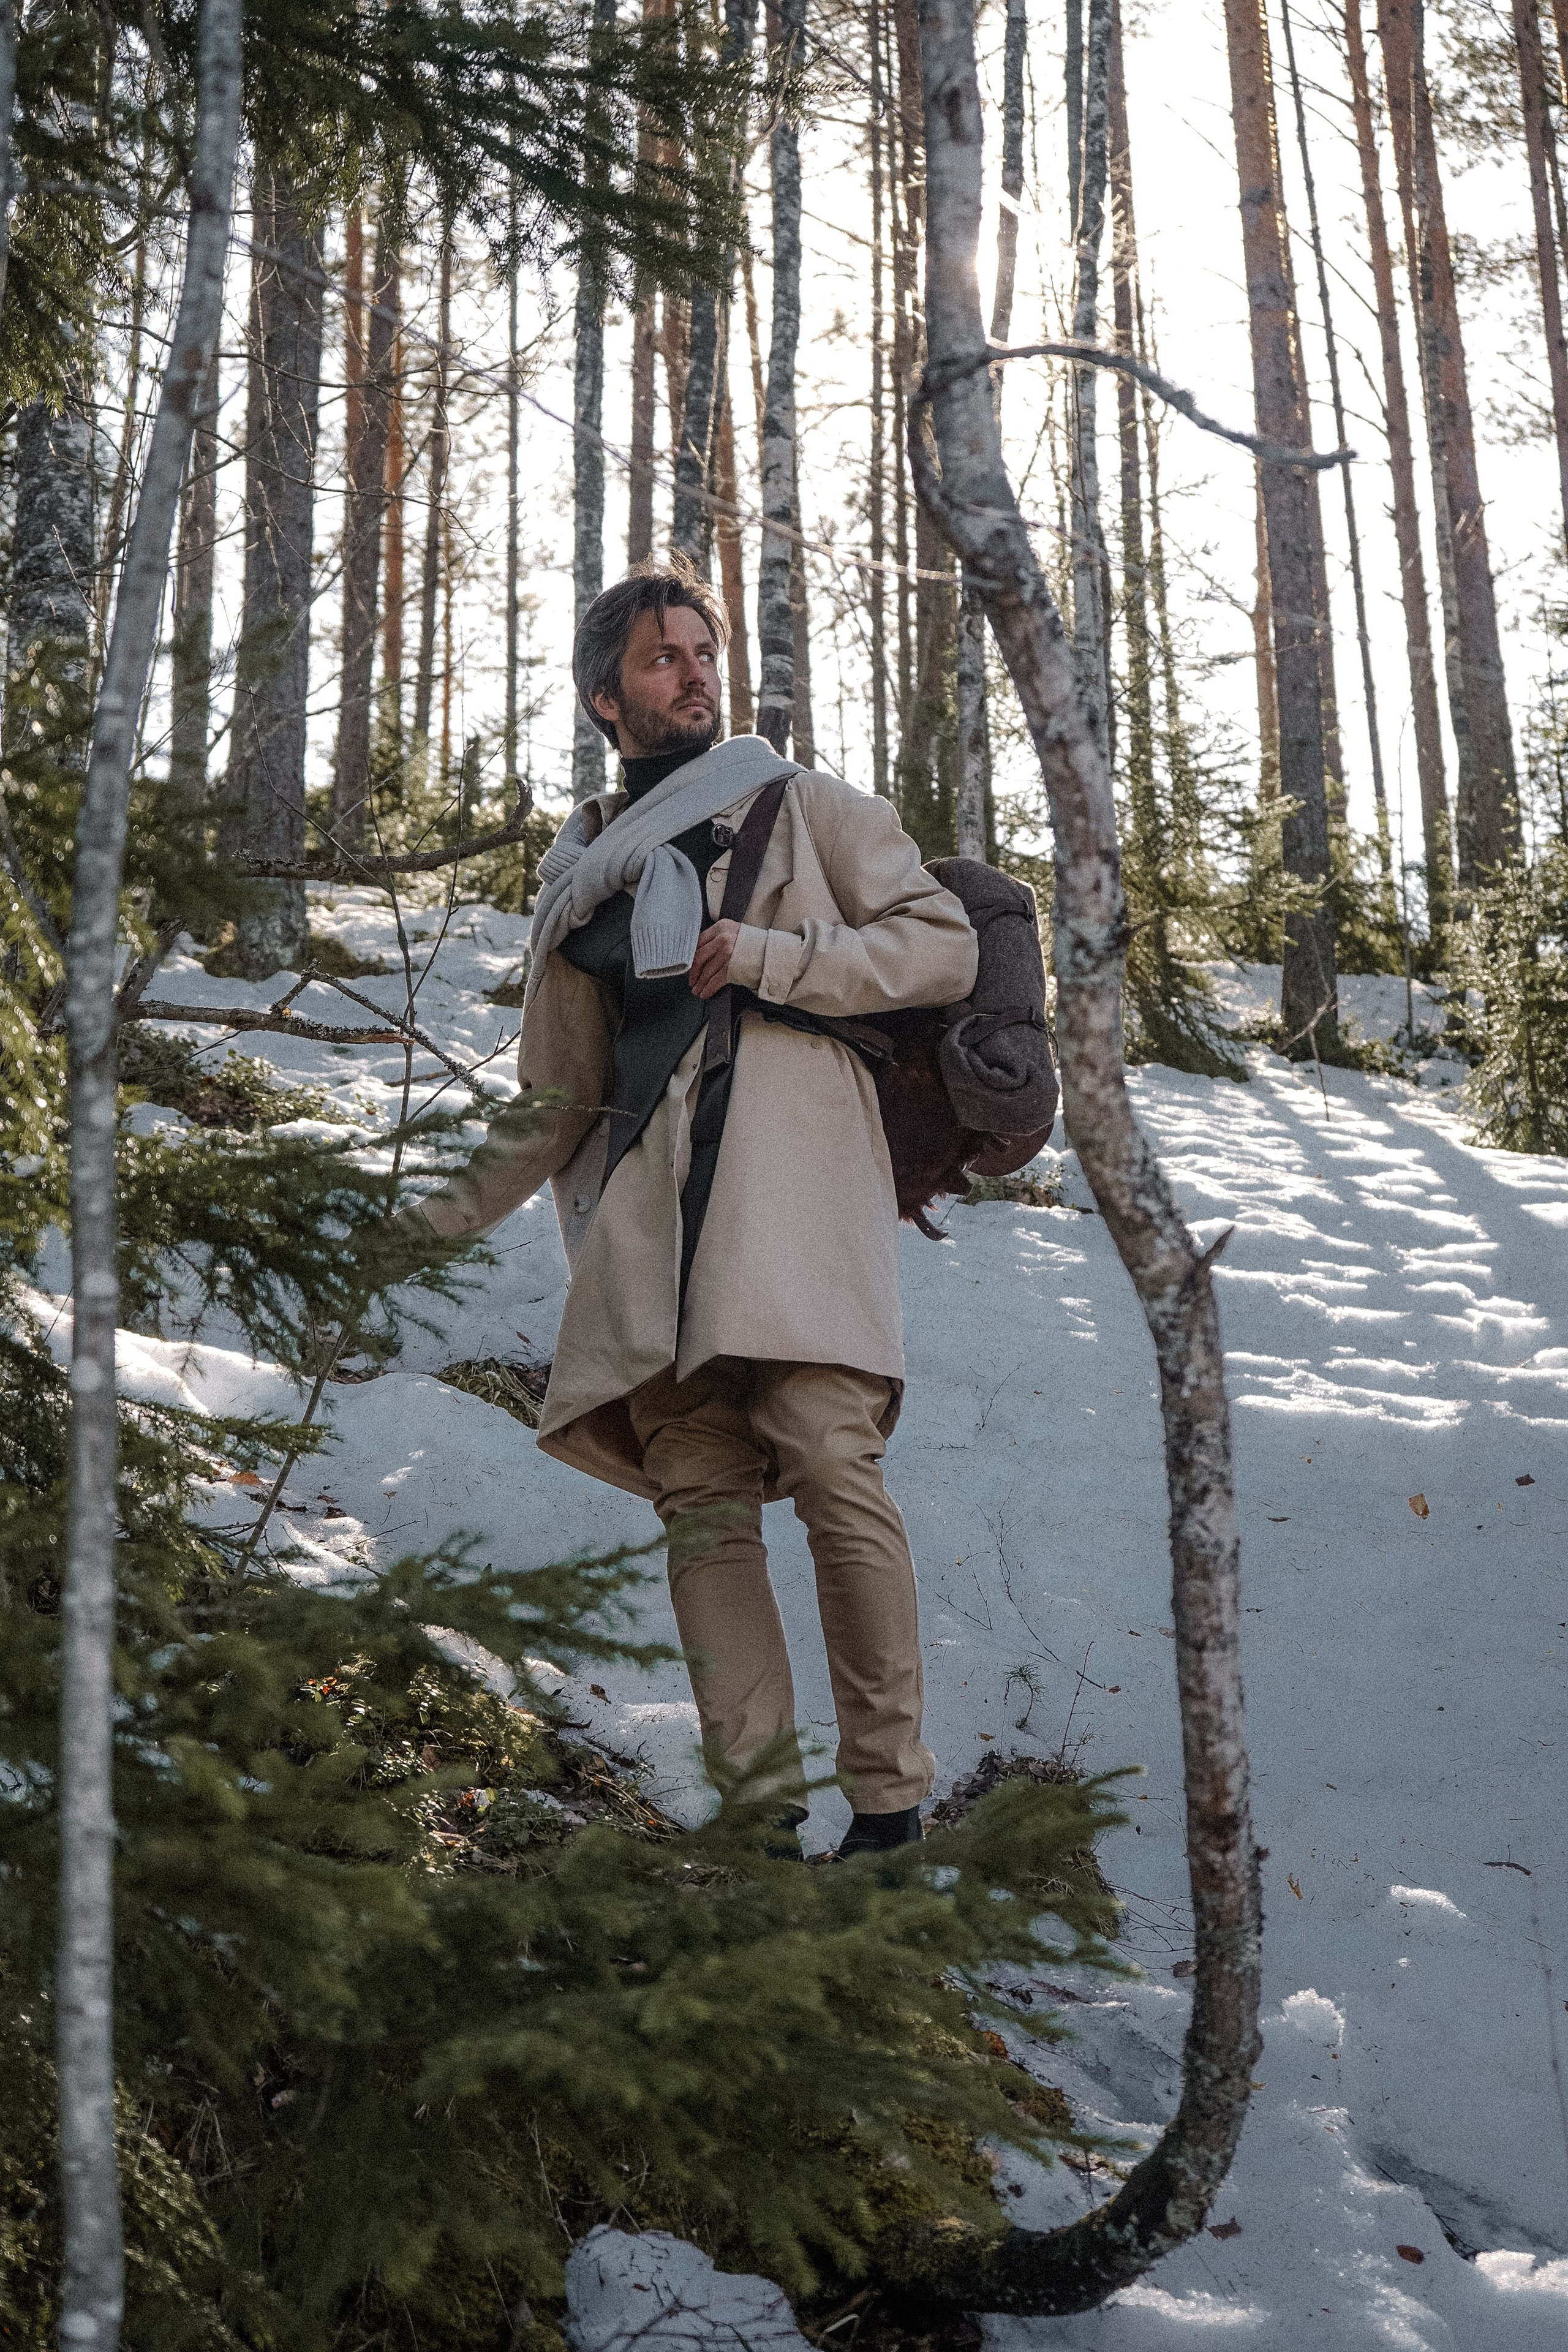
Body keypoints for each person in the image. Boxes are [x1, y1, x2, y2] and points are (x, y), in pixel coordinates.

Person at [411, 561, 977, 1856]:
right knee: (706, 1513)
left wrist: (774, 955)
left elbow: (941, 944)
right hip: (647, 1237)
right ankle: (758, 1820)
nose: (695, 675)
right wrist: (413, 1231)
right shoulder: (581, 886)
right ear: (606, 699)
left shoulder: (804, 806)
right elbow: (553, 1104)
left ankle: (889, 1807)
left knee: (834, 1465)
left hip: (794, 1209)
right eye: (663, 658)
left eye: (703, 652)